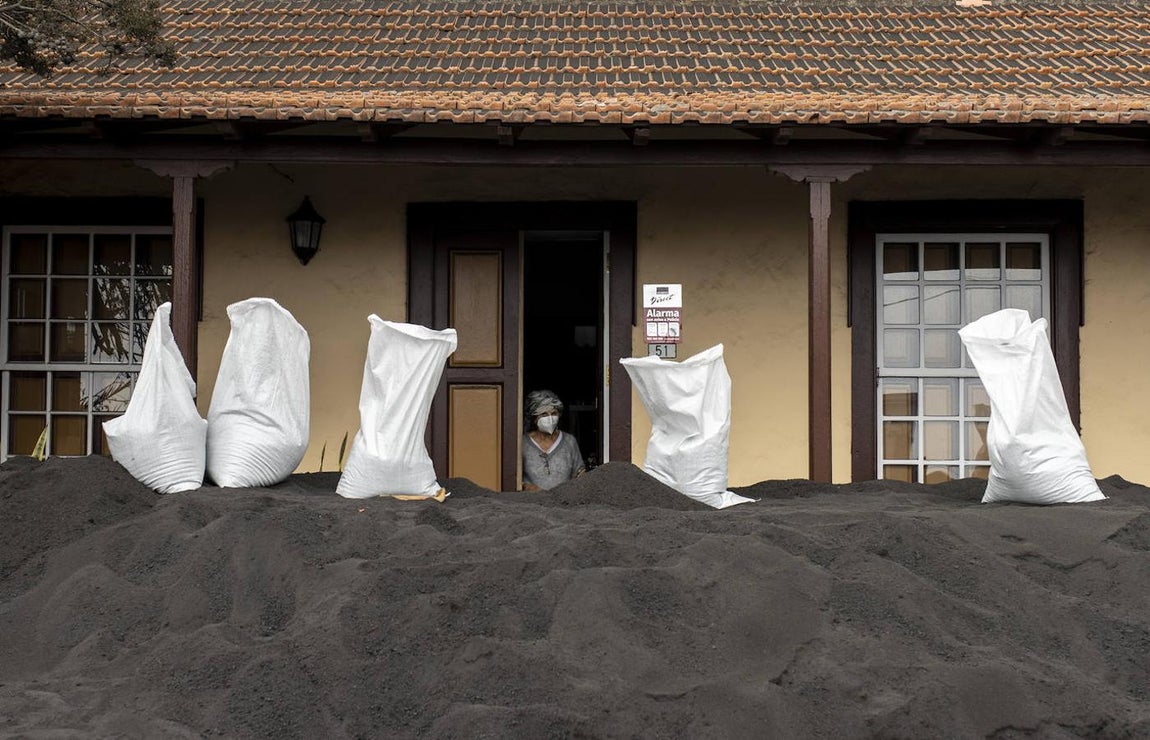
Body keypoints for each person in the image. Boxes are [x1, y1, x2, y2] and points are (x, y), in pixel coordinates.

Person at [522, 389, 585, 491]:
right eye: (544, 414)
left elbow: (580, 474)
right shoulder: (523, 443)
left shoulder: (569, 441)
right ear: (534, 418)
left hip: (563, 503)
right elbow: (512, 476)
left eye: (554, 413)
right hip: (531, 503)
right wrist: (526, 486)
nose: (550, 418)